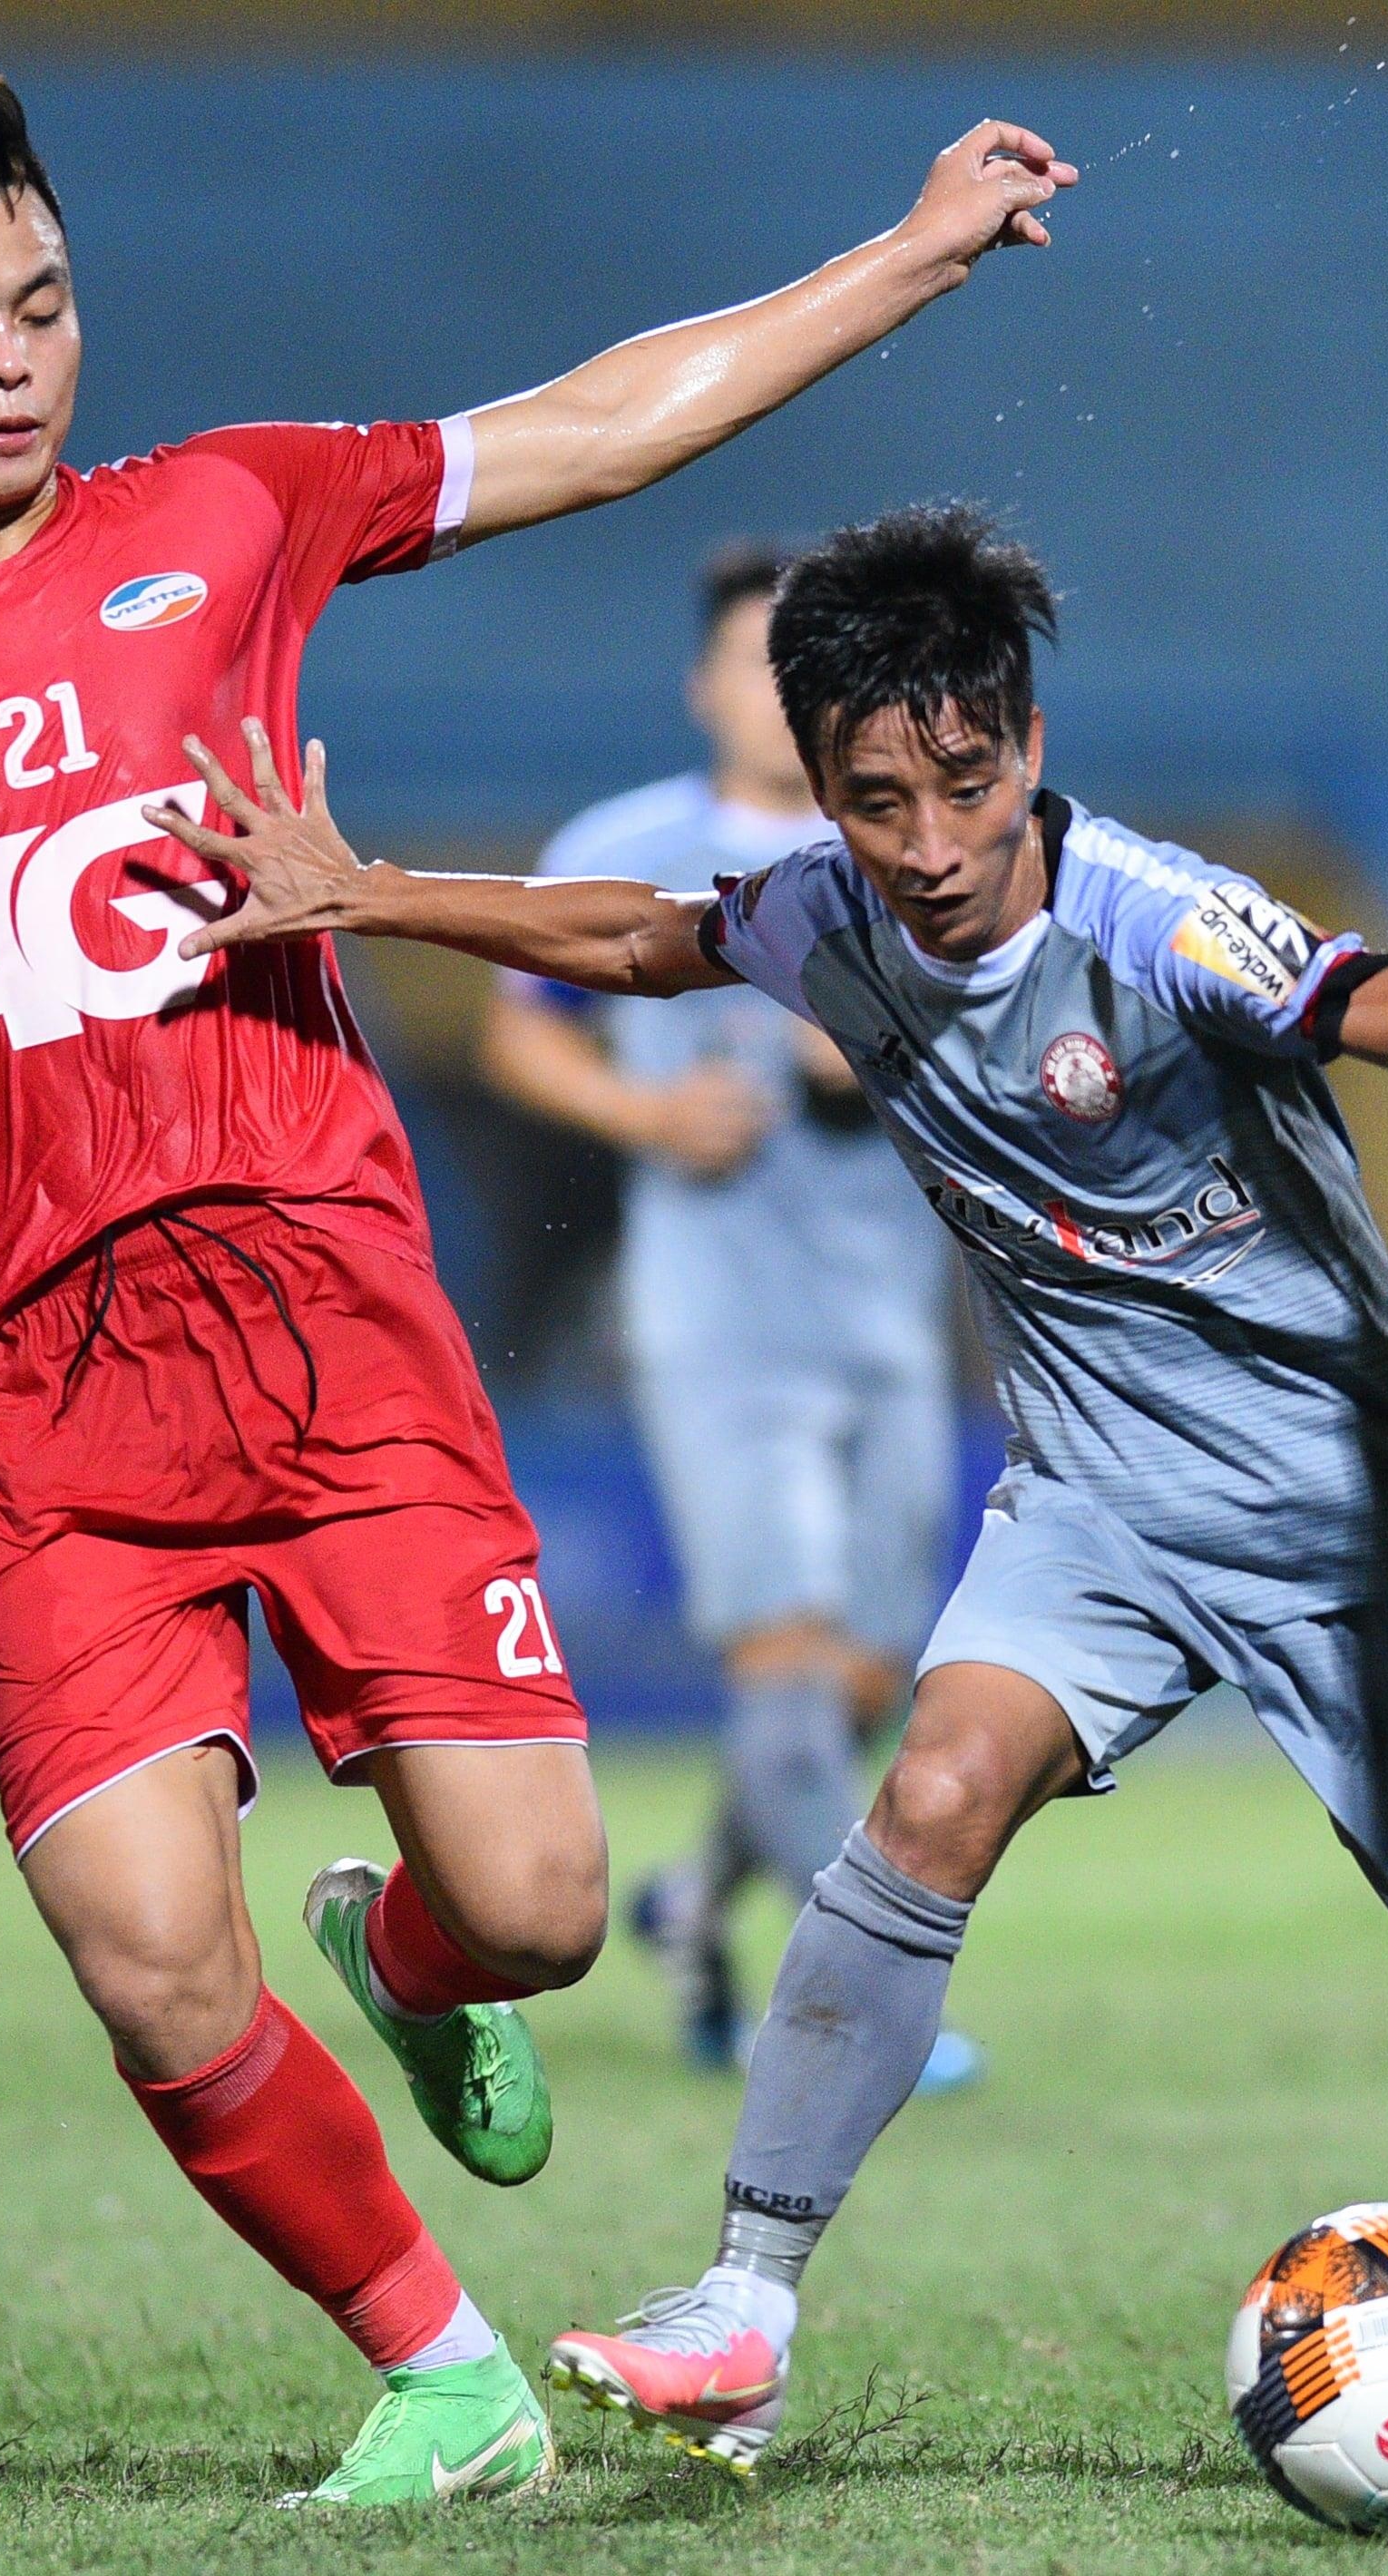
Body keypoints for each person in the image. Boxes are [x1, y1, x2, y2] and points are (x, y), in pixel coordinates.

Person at [0, 67, 1080, 2509]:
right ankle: (442, 2383)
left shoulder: (228, 512)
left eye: (42, 303)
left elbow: (584, 431)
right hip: (44, 1390)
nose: (11, 357)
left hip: (326, 1319)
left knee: (542, 1909)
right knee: (147, 1952)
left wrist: (895, 258)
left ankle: (411, 1968)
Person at [145, 503, 1388, 2504]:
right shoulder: (824, 914)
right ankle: (745, 2299)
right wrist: (361, 894)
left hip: (1360, 1524)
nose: (932, 844)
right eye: (879, 801)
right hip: (1103, 1511)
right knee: (934, 1787)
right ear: (824, 787)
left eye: (966, 786)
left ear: (1027, 741)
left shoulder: (1162, 924)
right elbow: (634, 936)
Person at [476, 542, 976, 2086]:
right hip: (716, 1318)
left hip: (891, 1317)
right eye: (753, 667)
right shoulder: (627, 845)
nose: (779, 697)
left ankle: (693, 1903)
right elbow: (520, 1035)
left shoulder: (912, 847)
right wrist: (643, 1123)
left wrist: (885, 1049)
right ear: (702, 687)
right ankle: (857, 2016)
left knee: (860, 1677)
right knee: (779, 1657)